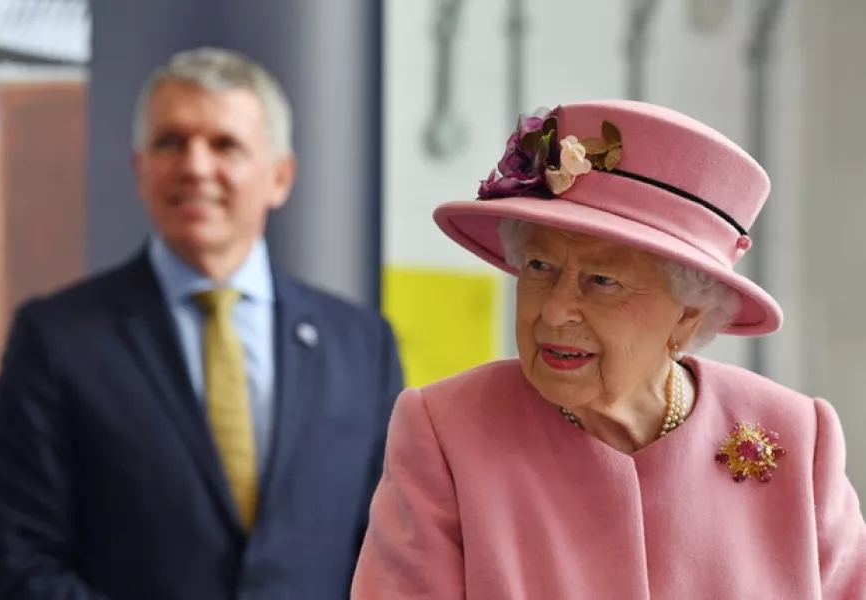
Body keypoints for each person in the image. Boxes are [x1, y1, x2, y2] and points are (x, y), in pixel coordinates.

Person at [351, 100, 866, 598]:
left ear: (689, 315)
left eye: (601, 280)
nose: (554, 312)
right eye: (538, 268)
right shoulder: (447, 432)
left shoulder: (799, 440)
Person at [0, 47, 403, 599]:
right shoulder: (57, 341)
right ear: (140, 170)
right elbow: (12, 562)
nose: (196, 166)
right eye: (170, 142)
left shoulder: (361, 345)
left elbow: (394, 549)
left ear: (279, 176)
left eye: (225, 144)